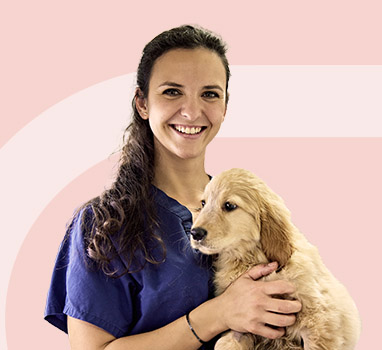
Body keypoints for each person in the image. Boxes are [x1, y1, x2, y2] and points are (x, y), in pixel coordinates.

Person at [44, 25, 302, 350]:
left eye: (209, 94)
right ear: (142, 103)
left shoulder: (249, 206)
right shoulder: (103, 223)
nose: (192, 111)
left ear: (224, 106)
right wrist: (217, 315)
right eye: (171, 92)